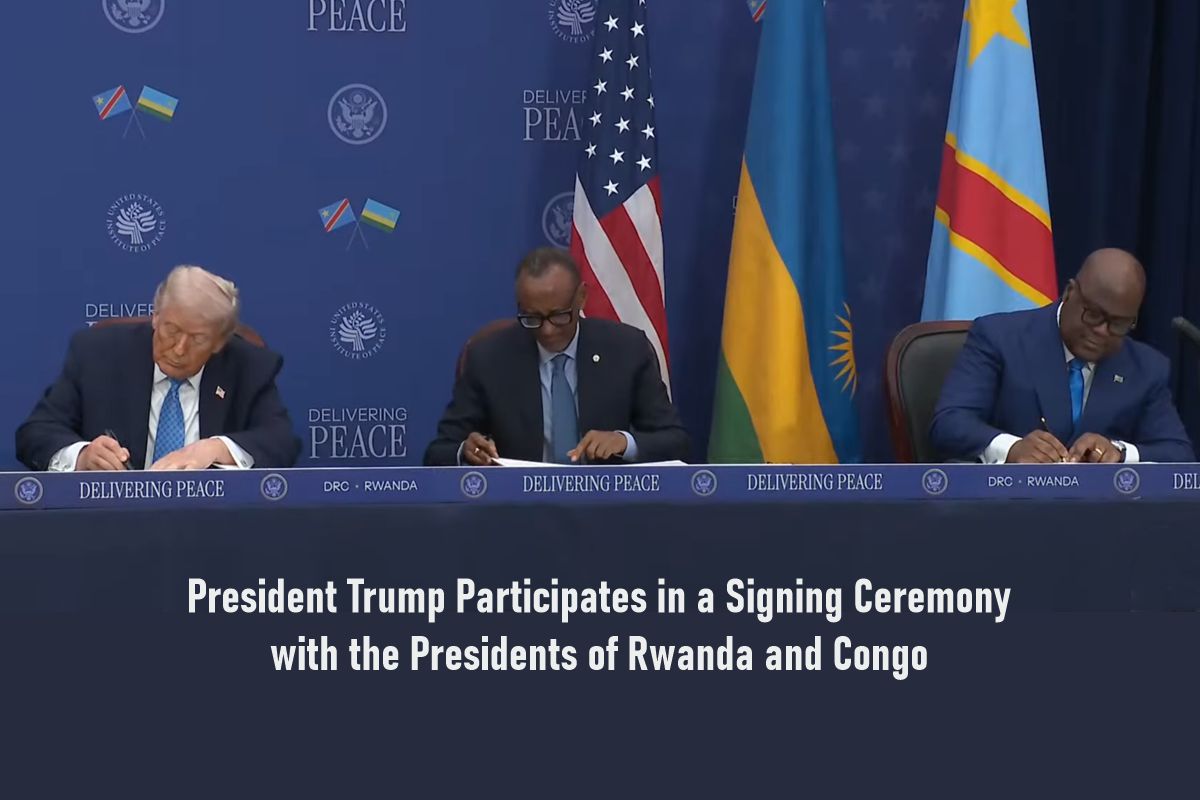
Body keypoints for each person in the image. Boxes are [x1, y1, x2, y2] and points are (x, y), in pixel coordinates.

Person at [16, 265, 301, 471]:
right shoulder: (97, 354)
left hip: (212, 522)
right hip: (111, 520)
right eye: (171, 330)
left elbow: (282, 442)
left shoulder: (248, 365)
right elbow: (36, 432)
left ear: (219, 342)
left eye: (198, 339)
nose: (179, 349)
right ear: (155, 316)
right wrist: (82, 456)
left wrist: (216, 448)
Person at [424, 247, 689, 466]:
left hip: (606, 504)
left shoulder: (627, 349)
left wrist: (624, 442)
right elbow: (439, 451)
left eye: (559, 315)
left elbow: (675, 442)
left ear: (581, 297)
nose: (547, 330)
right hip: (520, 505)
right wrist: (465, 451)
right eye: (532, 317)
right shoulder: (489, 358)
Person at [930, 248, 1193, 463]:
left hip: (1101, 510)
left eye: (1119, 323)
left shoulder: (1146, 367)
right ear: (1069, 293)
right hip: (1008, 503)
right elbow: (949, 423)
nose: (1102, 331)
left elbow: (1178, 454)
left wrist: (1119, 452)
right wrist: (1011, 448)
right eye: (1094, 315)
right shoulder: (1000, 337)